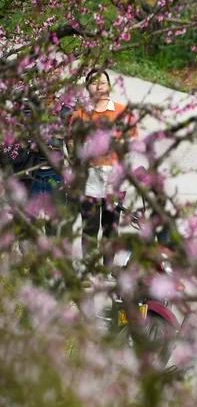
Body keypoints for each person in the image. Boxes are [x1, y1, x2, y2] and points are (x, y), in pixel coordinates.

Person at [70, 69, 138, 266]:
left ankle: (107, 267)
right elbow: (72, 145)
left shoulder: (123, 113)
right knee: (90, 225)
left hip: (113, 177)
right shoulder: (80, 115)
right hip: (88, 177)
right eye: (93, 82)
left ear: (109, 86)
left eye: (103, 82)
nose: (98, 86)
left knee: (110, 225)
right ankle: (89, 266)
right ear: (87, 88)